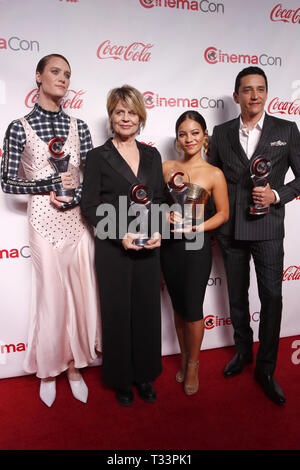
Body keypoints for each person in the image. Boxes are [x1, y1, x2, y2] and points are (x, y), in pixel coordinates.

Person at [1, 54, 101, 407]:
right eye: (55, 72)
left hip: (76, 220)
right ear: (39, 77)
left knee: (79, 293)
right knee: (51, 297)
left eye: (68, 74)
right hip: (43, 219)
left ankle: (74, 366)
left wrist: (78, 196)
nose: (62, 79)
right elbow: (7, 182)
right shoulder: (18, 127)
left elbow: (94, 179)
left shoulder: (80, 127)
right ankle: (48, 370)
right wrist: (48, 184)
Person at [209, 66, 300, 405]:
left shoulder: (287, 130)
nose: (255, 95)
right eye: (247, 90)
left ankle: (266, 368)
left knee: (272, 298)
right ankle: (243, 352)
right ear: (237, 96)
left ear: (267, 93)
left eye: (260, 89)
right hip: (231, 227)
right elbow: (212, 177)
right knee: (236, 296)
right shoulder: (220, 132)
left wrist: (276, 194)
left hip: (268, 229)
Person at [80, 85, 164, 407]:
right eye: (119, 112)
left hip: (148, 246)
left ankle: (144, 375)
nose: (125, 118)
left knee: (146, 312)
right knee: (117, 313)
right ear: (111, 117)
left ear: (140, 116)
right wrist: (119, 235)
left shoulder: (153, 155)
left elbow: (157, 199)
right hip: (114, 248)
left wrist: (157, 231)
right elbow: (89, 206)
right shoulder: (98, 156)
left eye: (131, 112)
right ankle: (120, 379)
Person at [161, 110, 229, 395]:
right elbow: (152, 203)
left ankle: (193, 364)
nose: (189, 138)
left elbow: (224, 213)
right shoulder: (165, 167)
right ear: (177, 139)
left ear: (204, 137)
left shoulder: (214, 173)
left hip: (195, 248)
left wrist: (198, 227)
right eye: (183, 134)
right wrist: (165, 215)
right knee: (178, 306)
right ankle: (184, 355)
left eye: (194, 133)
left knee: (193, 309)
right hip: (169, 247)